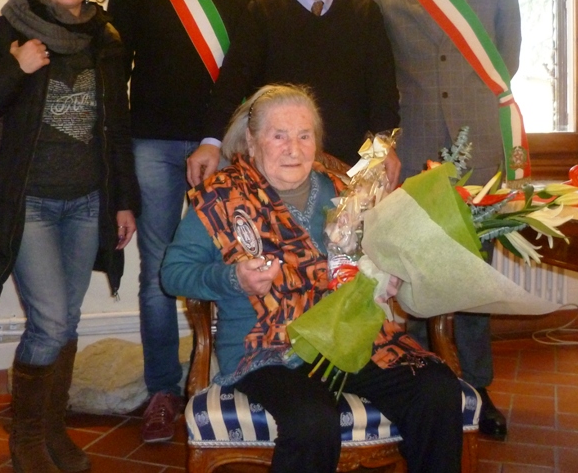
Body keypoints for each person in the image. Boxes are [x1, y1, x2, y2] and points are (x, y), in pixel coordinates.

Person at [162, 84, 463, 473]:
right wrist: (234, 278)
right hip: (268, 349)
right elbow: (173, 273)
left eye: (304, 136)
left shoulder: (346, 191)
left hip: (348, 335)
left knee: (436, 388)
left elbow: (374, 260)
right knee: (313, 419)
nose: (294, 148)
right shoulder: (220, 197)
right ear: (251, 142)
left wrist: (386, 277)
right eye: (279, 136)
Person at [0, 0, 141, 473]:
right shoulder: (5, 31)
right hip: (28, 203)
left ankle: (53, 431)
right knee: (51, 321)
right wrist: (16, 67)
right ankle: (27, 438)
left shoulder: (106, 41)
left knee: (66, 319)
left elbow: (117, 129)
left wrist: (124, 200)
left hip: (88, 202)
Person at [107, 0, 267, 442]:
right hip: (151, 141)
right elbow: (114, 67)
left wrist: (232, 139)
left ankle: (236, 372)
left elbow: (252, 66)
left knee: (238, 257)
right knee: (158, 268)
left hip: (224, 143)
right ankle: (162, 389)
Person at [364, 0, 523, 439]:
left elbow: (508, 54)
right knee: (415, 266)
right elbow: (376, 61)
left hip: (482, 144)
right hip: (417, 142)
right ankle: (424, 385)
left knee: (475, 269)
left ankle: (477, 387)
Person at [186, 0, 401, 187]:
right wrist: (211, 142)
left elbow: (383, 92)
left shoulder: (365, 14)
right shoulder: (261, 12)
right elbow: (231, 85)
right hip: (279, 169)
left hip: (351, 170)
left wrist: (383, 147)